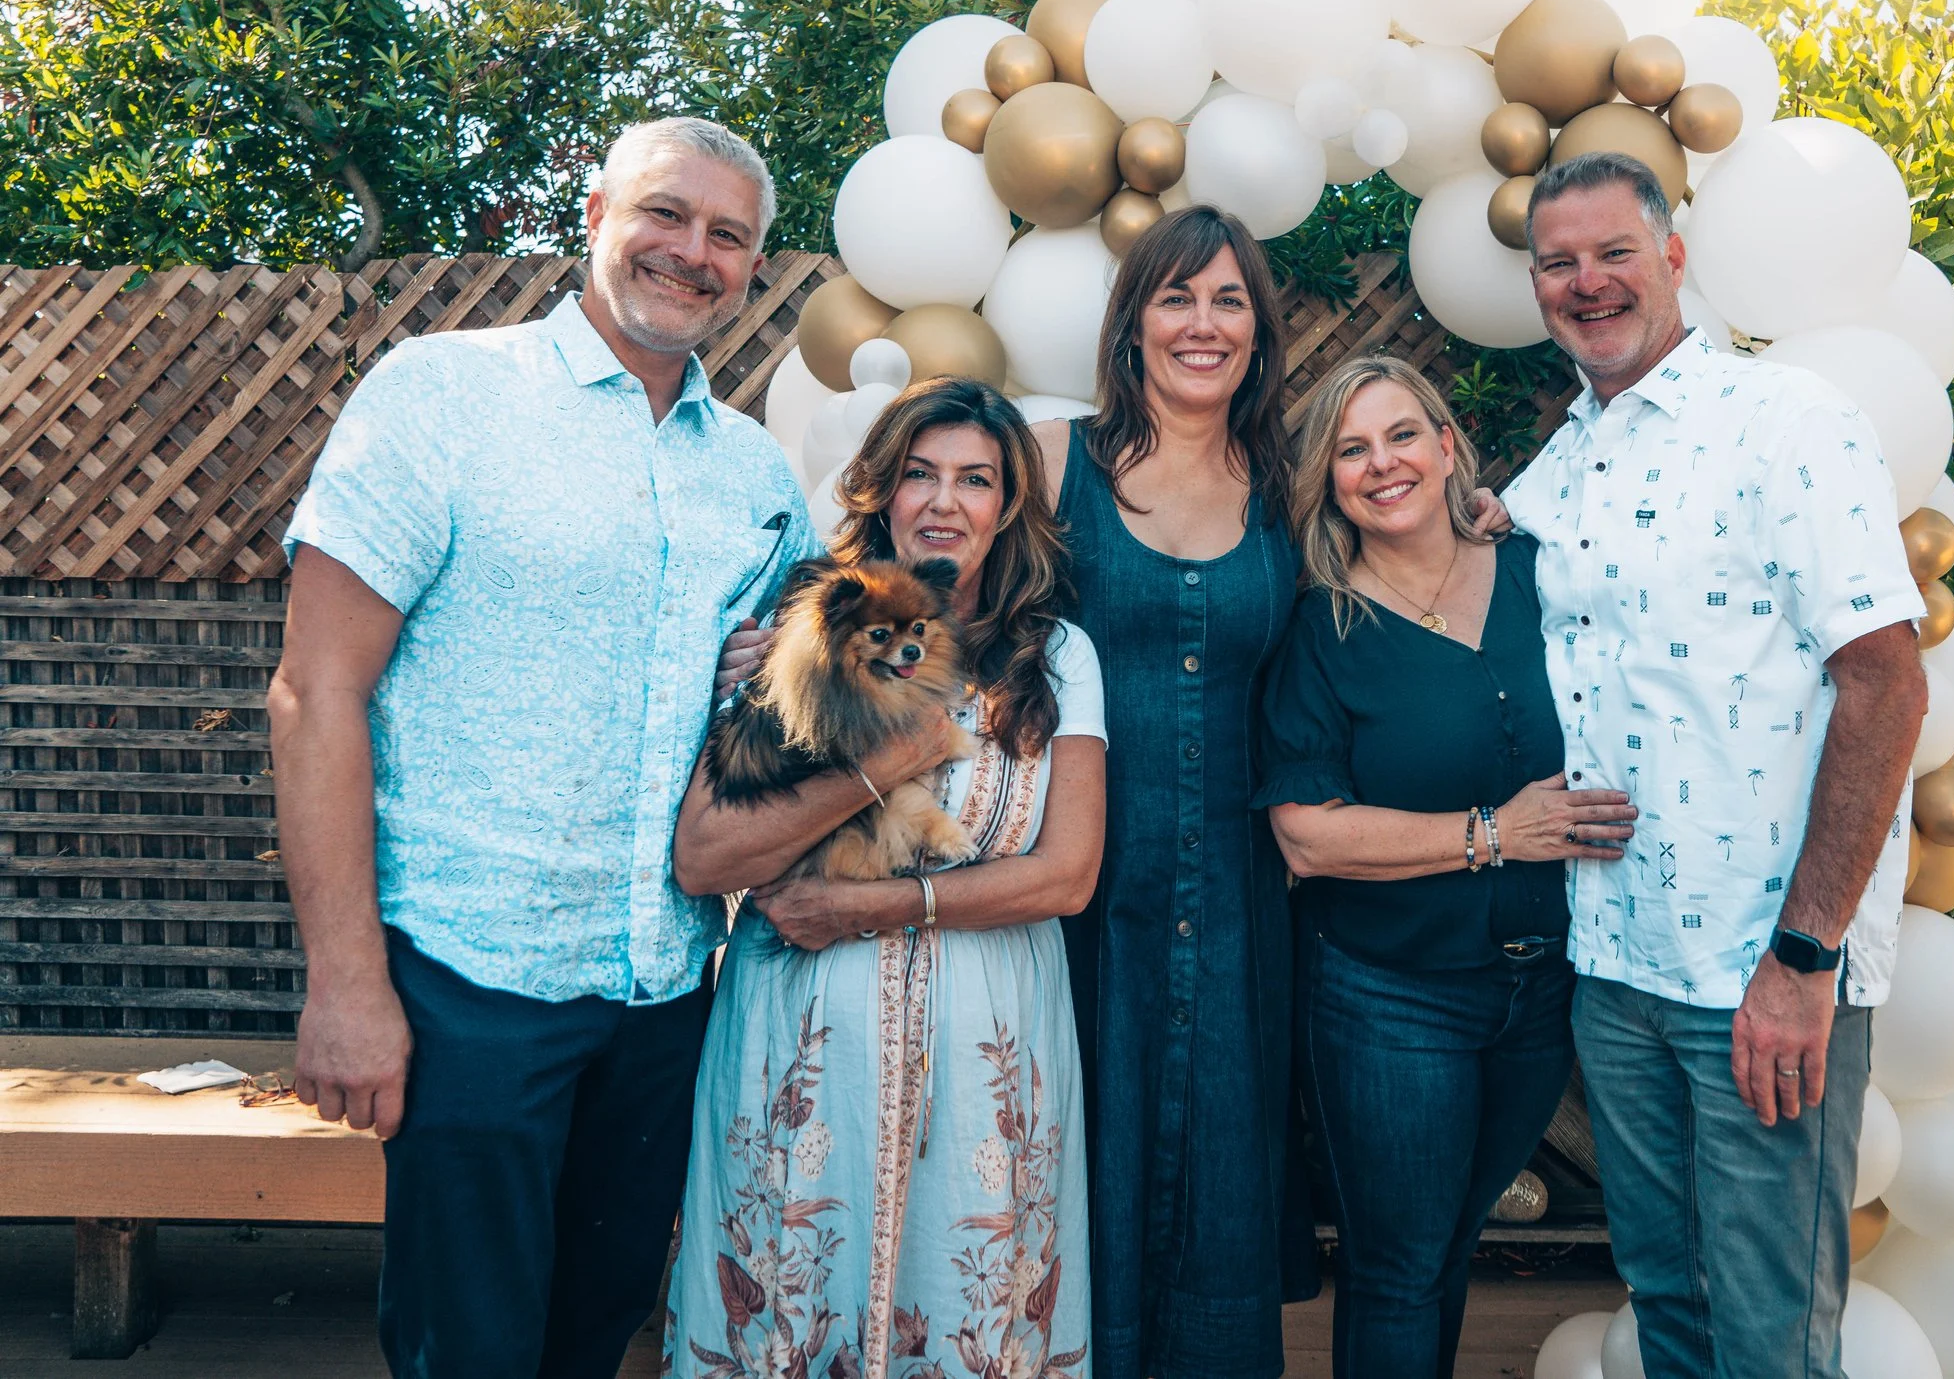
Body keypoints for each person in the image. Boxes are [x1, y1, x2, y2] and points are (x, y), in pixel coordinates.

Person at [268, 117, 865, 1377]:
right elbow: (315, 693)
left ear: (754, 267)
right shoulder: (442, 393)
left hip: (663, 993)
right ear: (594, 211)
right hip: (470, 983)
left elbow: (758, 719)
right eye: (665, 213)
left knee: (592, 1337)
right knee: (467, 1349)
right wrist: (346, 980)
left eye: (728, 235)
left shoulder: (757, 477)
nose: (690, 252)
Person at [1503, 152, 1929, 1379]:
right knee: (1667, 1307)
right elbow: (1480, 526)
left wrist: (1803, 958)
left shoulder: (1786, 421)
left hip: (1759, 971)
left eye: (1613, 252)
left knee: (1768, 1332)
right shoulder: (1569, 457)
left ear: (1674, 256)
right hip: (1616, 963)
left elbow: (1884, 678)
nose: (1587, 282)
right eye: (1558, 262)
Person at [664, 377, 1108, 1379]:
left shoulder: (1057, 657)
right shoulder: (797, 639)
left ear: (1009, 507)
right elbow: (704, 854)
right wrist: (879, 767)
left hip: (989, 1040)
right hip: (805, 1038)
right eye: (920, 472)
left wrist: (864, 905)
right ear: (881, 490)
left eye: (976, 478)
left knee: (971, 1306)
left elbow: (1067, 874)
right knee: (791, 1296)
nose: (944, 500)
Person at [1254, 356, 1637, 1379]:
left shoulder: (1538, 568)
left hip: (1542, 986)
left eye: (1401, 435)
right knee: (1398, 1264)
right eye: (1351, 449)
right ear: (1327, 479)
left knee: (1451, 1243)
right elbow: (1304, 832)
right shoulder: (1322, 624)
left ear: (1447, 442)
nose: (1382, 463)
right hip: (1388, 994)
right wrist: (1495, 831)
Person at [1025, 206, 1314, 1379]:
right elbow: (915, 579)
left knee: (1222, 1176)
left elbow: (1405, 584)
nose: (1204, 322)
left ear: (1257, 331)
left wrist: (1481, 520)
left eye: (1229, 299)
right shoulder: (1053, 460)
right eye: (1176, 296)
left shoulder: (1295, 486)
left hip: (1244, 910)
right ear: (1132, 322)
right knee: (1058, 1154)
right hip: (1074, 892)